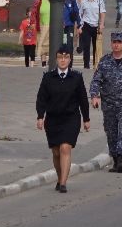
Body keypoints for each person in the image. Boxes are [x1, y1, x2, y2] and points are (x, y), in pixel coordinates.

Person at [35, 44, 90, 193]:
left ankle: (63, 183)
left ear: (70, 59)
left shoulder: (76, 78)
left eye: (66, 57)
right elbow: (41, 98)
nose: (63, 60)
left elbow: (83, 99)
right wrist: (40, 116)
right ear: (56, 59)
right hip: (52, 119)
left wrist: (86, 119)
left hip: (71, 118)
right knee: (56, 152)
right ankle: (60, 178)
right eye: (60, 57)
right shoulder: (48, 77)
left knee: (65, 147)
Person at [89, 31, 122, 173]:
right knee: (111, 132)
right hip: (109, 103)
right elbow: (96, 80)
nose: (116, 45)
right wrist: (94, 95)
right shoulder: (105, 61)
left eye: (119, 42)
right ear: (111, 43)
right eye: (114, 42)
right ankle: (115, 157)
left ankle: (121, 159)